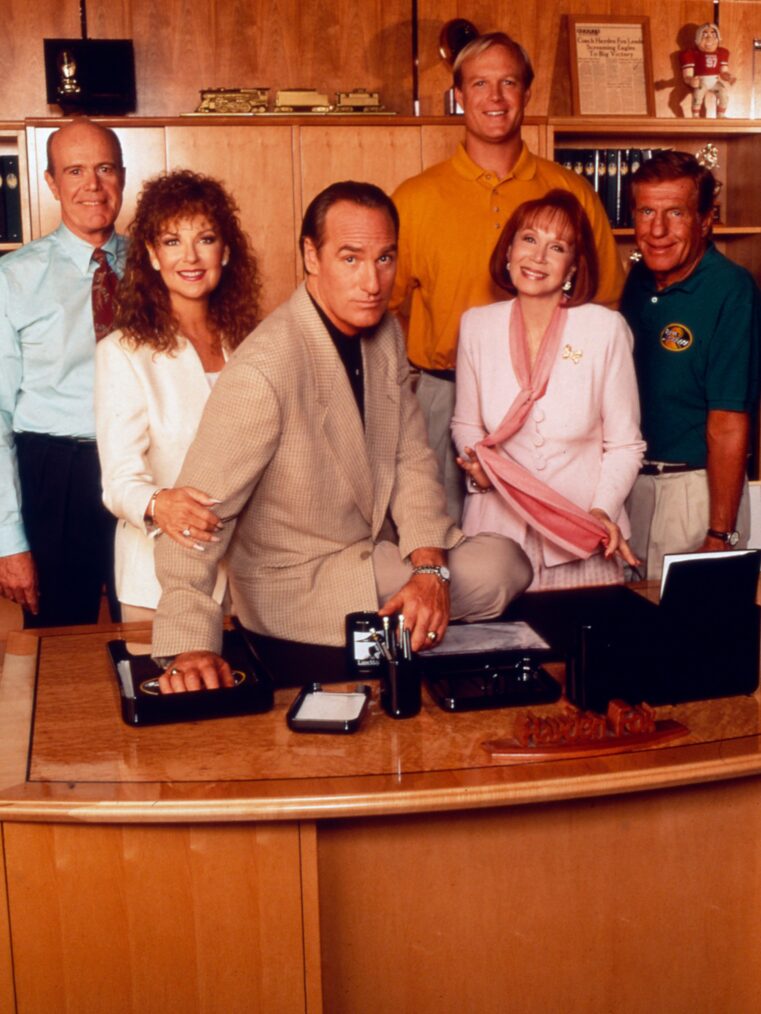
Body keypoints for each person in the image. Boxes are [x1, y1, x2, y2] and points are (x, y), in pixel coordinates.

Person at [151, 181, 532, 691]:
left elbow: (410, 458)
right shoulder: (265, 367)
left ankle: (399, 625)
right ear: (312, 255)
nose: (372, 282)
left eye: (385, 258)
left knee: (506, 562)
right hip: (298, 582)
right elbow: (195, 515)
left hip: (373, 553)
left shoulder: (385, 332)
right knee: (497, 569)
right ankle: (394, 631)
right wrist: (191, 643)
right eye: (350, 258)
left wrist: (429, 570)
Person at [391, 31, 624, 519]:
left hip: (550, 400)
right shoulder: (415, 198)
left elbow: (602, 304)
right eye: (479, 84)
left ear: (526, 93)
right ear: (459, 96)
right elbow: (381, 307)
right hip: (441, 392)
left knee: (543, 537)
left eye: (508, 83)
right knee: (438, 536)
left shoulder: (571, 192)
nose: (494, 98)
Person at [452, 190, 644, 590]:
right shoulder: (476, 325)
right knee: (502, 650)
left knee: (585, 651)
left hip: (581, 534)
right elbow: (466, 424)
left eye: (556, 247)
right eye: (528, 239)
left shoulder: (604, 329)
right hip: (497, 542)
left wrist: (601, 510)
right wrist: (482, 473)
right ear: (509, 251)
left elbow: (625, 445)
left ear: (574, 265)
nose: (537, 257)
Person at [95, 170, 262, 622]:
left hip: (254, 580)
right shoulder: (122, 354)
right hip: (158, 582)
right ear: (151, 254)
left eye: (205, 239)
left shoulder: (253, 344)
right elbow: (119, 482)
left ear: (225, 251)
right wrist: (159, 504)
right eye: (172, 242)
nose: (190, 256)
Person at [0, 119, 126, 627]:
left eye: (104, 169)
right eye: (74, 171)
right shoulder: (13, 279)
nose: (91, 185)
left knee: (156, 630)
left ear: (122, 176)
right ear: (51, 183)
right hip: (54, 475)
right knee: (58, 645)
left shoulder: (159, 268)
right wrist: (9, 540)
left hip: (144, 472)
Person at [621, 151, 760, 581]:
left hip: (694, 493)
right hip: (631, 489)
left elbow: (728, 420)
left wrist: (719, 533)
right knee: (631, 639)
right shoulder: (638, 281)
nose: (657, 230)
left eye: (675, 213)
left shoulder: (731, 289)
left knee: (692, 641)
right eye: (646, 211)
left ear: (705, 219)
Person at [679, 23, 734, 119]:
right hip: (701, 81)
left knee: (724, 93)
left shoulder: (722, 53)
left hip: (715, 81)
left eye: (713, 35)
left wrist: (728, 77)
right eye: (704, 35)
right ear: (697, 39)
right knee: (697, 95)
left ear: (718, 38)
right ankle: (695, 115)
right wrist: (691, 80)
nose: (709, 39)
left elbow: (723, 71)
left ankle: (721, 114)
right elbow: (687, 76)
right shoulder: (692, 54)